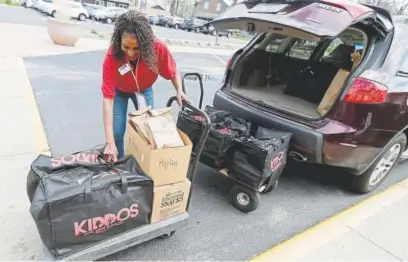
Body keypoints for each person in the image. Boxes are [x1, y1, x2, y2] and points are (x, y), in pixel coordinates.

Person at [101, 10, 188, 162]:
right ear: (118, 41)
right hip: (120, 91)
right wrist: (109, 143)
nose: (130, 53)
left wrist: (179, 90)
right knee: (117, 131)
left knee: (147, 130)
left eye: (136, 48)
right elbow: (107, 99)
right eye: (125, 46)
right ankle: (118, 162)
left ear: (146, 44)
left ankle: (144, 163)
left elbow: (173, 72)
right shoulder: (112, 56)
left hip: (144, 90)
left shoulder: (158, 49)